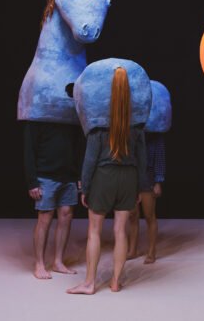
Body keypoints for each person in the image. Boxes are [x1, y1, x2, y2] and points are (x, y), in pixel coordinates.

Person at [67, 67, 148, 295]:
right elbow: (142, 161)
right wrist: (141, 187)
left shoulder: (99, 126)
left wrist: (85, 187)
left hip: (104, 177)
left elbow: (89, 160)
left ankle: (89, 283)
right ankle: (115, 281)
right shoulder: (137, 128)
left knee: (94, 231)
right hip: (129, 177)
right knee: (121, 231)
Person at [23, 121, 82, 279]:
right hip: (45, 175)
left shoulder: (70, 117)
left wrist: (79, 175)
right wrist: (32, 181)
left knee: (66, 215)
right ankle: (39, 264)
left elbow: (78, 147)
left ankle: (58, 262)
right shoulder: (37, 118)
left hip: (69, 176)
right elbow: (29, 151)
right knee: (45, 217)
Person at [127, 131, 166, 263]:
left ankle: (151, 251)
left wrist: (158, 181)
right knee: (132, 215)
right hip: (132, 174)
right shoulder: (132, 131)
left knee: (149, 215)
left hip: (147, 175)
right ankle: (132, 250)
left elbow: (160, 157)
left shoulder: (155, 133)